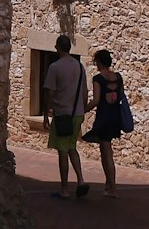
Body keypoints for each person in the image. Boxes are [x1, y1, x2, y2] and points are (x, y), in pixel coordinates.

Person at [42, 34, 89, 199]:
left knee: (62, 150)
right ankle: (81, 180)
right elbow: (85, 91)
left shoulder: (55, 67)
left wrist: (47, 114)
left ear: (58, 47)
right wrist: (83, 109)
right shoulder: (79, 66)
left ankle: (65, 189)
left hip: (62, 114)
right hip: (77, 112)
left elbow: (50, 92)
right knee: (72, 147)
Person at [84, 47, 124, 196]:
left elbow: (95, 100)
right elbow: (119, 97)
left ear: (99, 62)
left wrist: (83, 110)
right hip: (115, 117)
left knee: (106, 152)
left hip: (104, 118)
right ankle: (108, 184)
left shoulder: (98, 79)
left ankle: (113, 187)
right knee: (107, 150)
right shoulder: (118, 77)